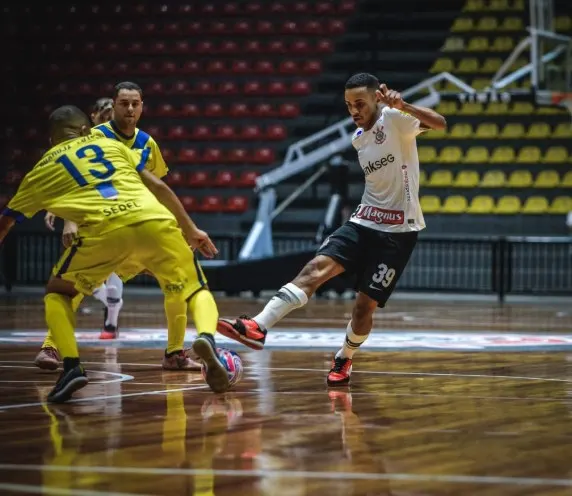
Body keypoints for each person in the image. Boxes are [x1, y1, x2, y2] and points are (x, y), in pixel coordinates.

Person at [217, 73, 446, 387]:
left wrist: (405, 105)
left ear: (377, 99)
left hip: (398, 231)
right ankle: (258, 326)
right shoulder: (357, 138)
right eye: (349, 105)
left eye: (360, 103)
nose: (354, 110)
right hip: (363, 221)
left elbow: (440, 123)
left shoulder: (395, 119)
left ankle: (345, 357)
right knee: (314, 269)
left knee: (364, 306)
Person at [0, 105, 229, 402]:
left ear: (51, 141)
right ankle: (206, 339)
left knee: (60, 292)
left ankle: (71, 366)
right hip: (154, 222)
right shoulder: (111, 144)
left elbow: (5, 222)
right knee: (194, 288)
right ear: (86, 129)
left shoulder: (41, 169)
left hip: (102, 232)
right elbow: (158, 185)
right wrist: (192, 229)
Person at [35, 82, 178, 373]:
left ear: (142, 106)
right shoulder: (95, 136)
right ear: (113, 106)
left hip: (137, 225)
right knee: (72, 288)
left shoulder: (148, 144)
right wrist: (70, 219)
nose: (129, 109)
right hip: (100, 224)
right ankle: (51, 346)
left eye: (134, 103)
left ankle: (174, 353)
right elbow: (74, 177)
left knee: (178, 282)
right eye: (123, 103)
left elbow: (156, 188)